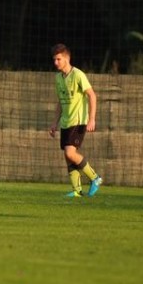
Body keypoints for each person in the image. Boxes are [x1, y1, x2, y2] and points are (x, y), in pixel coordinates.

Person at [48, 43, 104, 197]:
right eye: (54, 59)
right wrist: (54, 123)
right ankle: (77, 190)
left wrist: (92, 119)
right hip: (66, 122)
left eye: (58, 59)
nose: (55, 62)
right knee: (68, 157)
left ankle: (95, 178)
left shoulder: (78, 75)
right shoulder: (58, 78)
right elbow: (60, 102)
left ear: (67, 58)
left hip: (78, 121)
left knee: (70, 153)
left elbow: (92, 95)